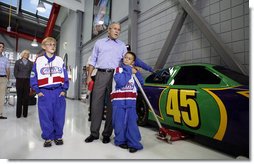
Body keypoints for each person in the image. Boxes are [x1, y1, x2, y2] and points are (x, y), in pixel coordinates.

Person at [85, 22, 153, 144]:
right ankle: (94, 133)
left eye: (119, 30)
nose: (117, 31)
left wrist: (139, 68)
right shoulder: (99, 43)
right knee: (96, 104)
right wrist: (89, 76)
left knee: (112, 105)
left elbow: (129, 60)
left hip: (116, 76)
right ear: (109, 30)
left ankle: (107, 134)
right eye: (115, 29)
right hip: (100, 74)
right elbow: (93, 60)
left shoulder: (122, 46)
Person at [30, 37, 69, 147]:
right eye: (50, 44)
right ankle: (48, 137)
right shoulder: (39, 61)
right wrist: (37, 90)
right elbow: (33, 76)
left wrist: (64, 89)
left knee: (59, 115)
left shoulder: (60, 60)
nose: (52, 46)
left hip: (58, 92)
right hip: (44, 92)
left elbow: (65, 76)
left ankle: (58, 136)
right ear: (44, 47)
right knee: (45, 115)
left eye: (54, 45)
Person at [111, 51, 144, 153]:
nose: (126, 59)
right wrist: (129, 70)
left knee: (131, 123)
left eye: (129, 59)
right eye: (125, 57)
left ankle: (133, 143)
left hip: (130, 101)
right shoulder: (118, 70)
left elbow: (141, 82)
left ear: (133, 62)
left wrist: (136, 72)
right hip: (118, 101)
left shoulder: (134, 71)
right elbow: (121, 82)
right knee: (119, 122)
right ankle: (120, 141)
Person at [14, 49, 33, 118]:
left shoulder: (31, 63)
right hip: (19, 81)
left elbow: (32, 73)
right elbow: (15, 72)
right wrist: (19, 78)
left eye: (28, 54)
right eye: (25, 54)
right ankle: (18, 114)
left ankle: (25, 114)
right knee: (19, 98)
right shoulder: (17, 62)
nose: (27, 55)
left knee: (26, 98)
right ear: (22, 54)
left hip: (27, 81)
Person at [0, 42, 10, 119]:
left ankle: (0, 114)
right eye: (0, 46)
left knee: (2, 97)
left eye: (2, 47)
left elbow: (7, 69)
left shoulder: (5, 59)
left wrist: (7, 79)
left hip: (3, 79)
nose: (1, 48)